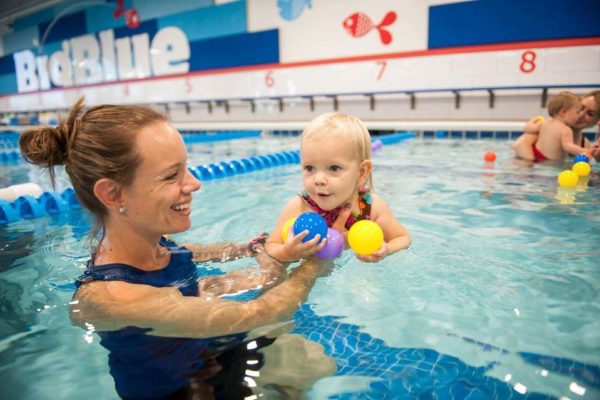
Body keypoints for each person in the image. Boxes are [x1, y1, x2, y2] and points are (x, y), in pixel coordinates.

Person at [19, 98, 336, 399]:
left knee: (312, 359)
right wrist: (314, 266)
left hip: (208, 354)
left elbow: (194, 258)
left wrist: (258, 250)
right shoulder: (112, 298)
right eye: (172, 175)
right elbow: (254, 313)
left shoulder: (155, 245)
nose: (194, 183)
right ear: (114, 194)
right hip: (182, 392)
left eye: (186, 167)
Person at [265, 112, 411, 263]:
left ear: (361, 172)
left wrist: (386, 249)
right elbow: (271, 246)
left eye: (333, 168)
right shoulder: (300, 206)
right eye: (309, 168)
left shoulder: (370, 207)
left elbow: (402, 238)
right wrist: (285, 253)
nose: (319, 180)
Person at [513, 90, 600, 162]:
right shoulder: (545, 130)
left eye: (590, 114)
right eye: (580, 108)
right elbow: (519, 145)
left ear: (598, 121)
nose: (580, 115)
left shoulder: (585, 144)